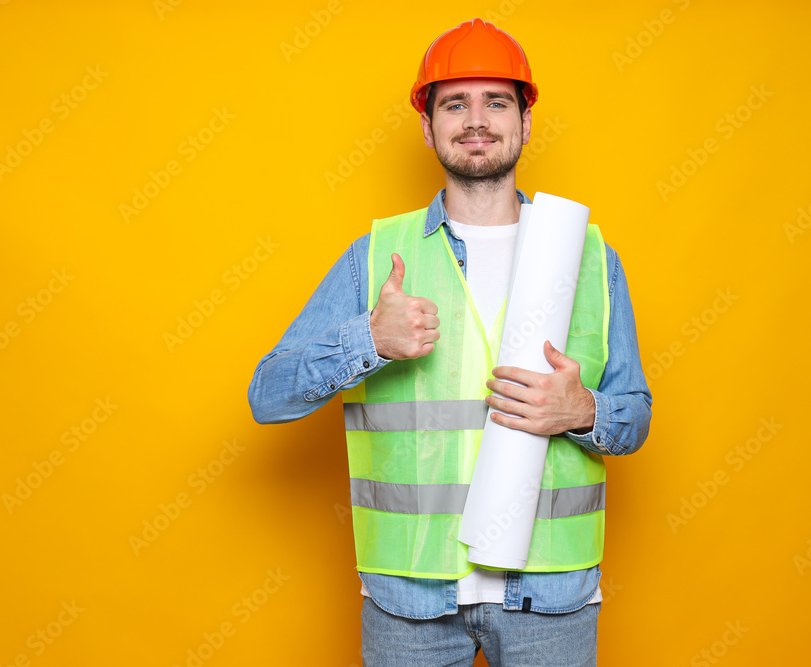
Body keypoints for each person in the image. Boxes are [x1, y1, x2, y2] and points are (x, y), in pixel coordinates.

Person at [248, 17, 652, 666]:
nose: (476, 119)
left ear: (524, 120)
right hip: (409, 601)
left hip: (550, 597)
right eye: (454, 103)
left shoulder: (588, 258)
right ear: (427, 125)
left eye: (496, 101)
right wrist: (368, 340)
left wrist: (585, 411)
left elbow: (634, 417)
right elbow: (267, 394)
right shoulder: (376, 255)